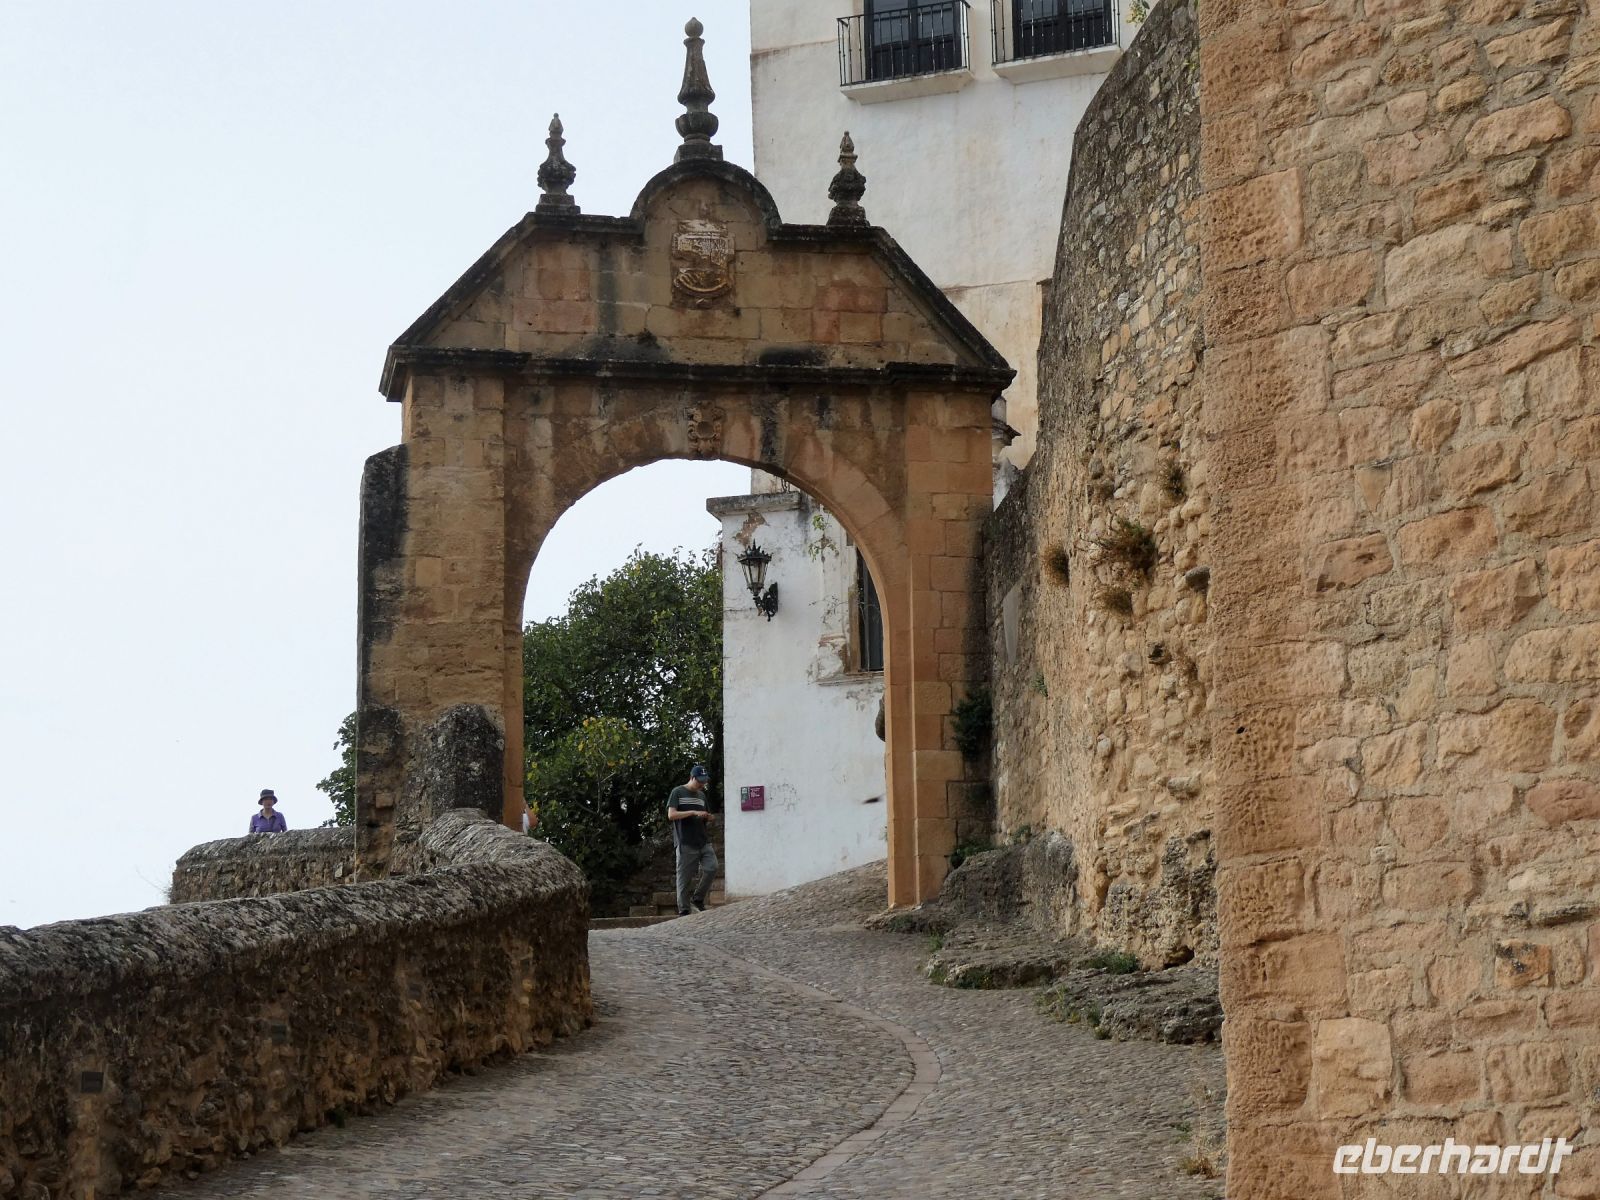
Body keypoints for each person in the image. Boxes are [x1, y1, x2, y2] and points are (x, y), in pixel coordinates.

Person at [667, 764, 717, 915]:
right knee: (684, 878)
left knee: (712, 867)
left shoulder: (702, 796)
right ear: (692, 777)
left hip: (703, 840)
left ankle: (698, 899)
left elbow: (707, 815)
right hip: (685, 842)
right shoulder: (677, 792)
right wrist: (693, 812)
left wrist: (708, 817)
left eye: (704, 781)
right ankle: (684, 910)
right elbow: (671, 815)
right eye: (700, 781)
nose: (702, 784)